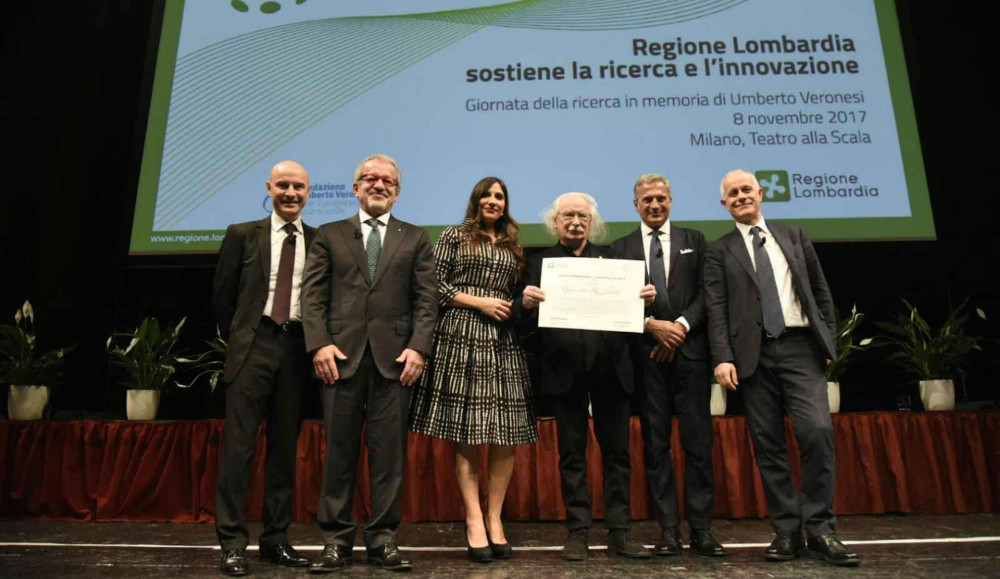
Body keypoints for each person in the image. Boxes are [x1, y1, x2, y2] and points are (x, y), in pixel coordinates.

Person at [704, 169, 859, 566]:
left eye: (746, 190)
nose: (741, 196)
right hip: (752, 357)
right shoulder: (718, 250)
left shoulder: (793, 235)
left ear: (760, 193)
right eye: (732, 193)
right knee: (768, 444)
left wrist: (828, 341)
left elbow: (819, 290)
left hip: (801, 348)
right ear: (724, 204)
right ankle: (787, 530)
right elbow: (716, 308)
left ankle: (821, 529)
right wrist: (722, 357)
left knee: (817, 431)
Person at [301, 154, 438, 573]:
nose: (379, 185)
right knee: (338, 455)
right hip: (339, 360)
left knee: (388, 458)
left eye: (388, 181)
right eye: (371, 178)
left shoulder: (416, 238)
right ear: (356, 187)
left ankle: (383, 540)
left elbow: (427, 300)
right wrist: (319, 345)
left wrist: (418, 349)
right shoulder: (329, 234)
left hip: (396, 362)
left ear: (397, 192)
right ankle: (335, 541)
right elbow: (312, 296)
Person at [516, 192, 655, 561]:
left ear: (592, 223)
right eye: (568, 216)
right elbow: (525, 320)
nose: (575, 222)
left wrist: (645, 298)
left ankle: (620, 533)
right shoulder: (539, 264)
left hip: (613, 371)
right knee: (571, 456)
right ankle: (578, 532)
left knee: (618, 455)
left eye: (582, 216)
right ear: (555, 222)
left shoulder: (616, 262)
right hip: (564, 372)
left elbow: (635, 313)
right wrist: (526, 303)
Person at [409, 176, 537, 563]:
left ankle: (495, 517)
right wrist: (480, 302)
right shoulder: (454, 235)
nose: (493, 201)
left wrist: (523, 301)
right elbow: (434, 285)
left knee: (506, 432)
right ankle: (473, 519)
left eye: (500, 196)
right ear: (476, 199)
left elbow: (515, 295)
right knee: (468, 431)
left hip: (503, 340)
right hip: (460, 334)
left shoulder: (513, 243)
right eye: (487, 195)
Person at [608, 173, 724, 557]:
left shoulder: (696, 240)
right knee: (656, 446)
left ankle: (702, 530)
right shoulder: (620, 248)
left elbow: (708, 293)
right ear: (635, 205)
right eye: (647, 200)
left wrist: (679, 327)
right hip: (647, 358)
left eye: (661, 198)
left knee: (698, 444)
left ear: (671, 201)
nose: (655, 205)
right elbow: (615, 303)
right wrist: (651, 326)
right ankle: (669, 530)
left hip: (690, 354)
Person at [212, 160, 316, 576]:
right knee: (238, 450)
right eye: (283, 185)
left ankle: (275, 540)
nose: (291, 193)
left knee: (284, 451)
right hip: (253, 346)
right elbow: (222, 297)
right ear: (269, 189)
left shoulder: (320, 240)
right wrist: (243, 337)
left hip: (296, 349)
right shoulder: (241, 234)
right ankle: (232, 544)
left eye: (299, 187)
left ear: (308, 193)